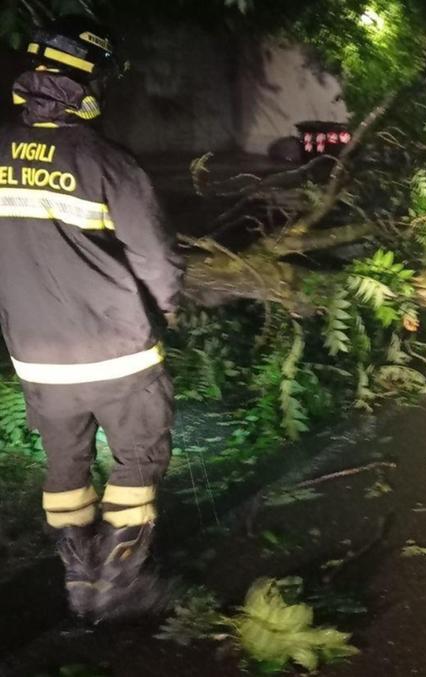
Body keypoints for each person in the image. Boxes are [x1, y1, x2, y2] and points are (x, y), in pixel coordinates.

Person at [0, 16, 183, 620]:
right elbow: (154, 255)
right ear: (89, 83)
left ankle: (79, 579)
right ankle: (118, 578)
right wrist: (172, 302)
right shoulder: (105, 160)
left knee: (65, 468)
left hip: (35, 358)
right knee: (138, 459)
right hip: (117, 354)